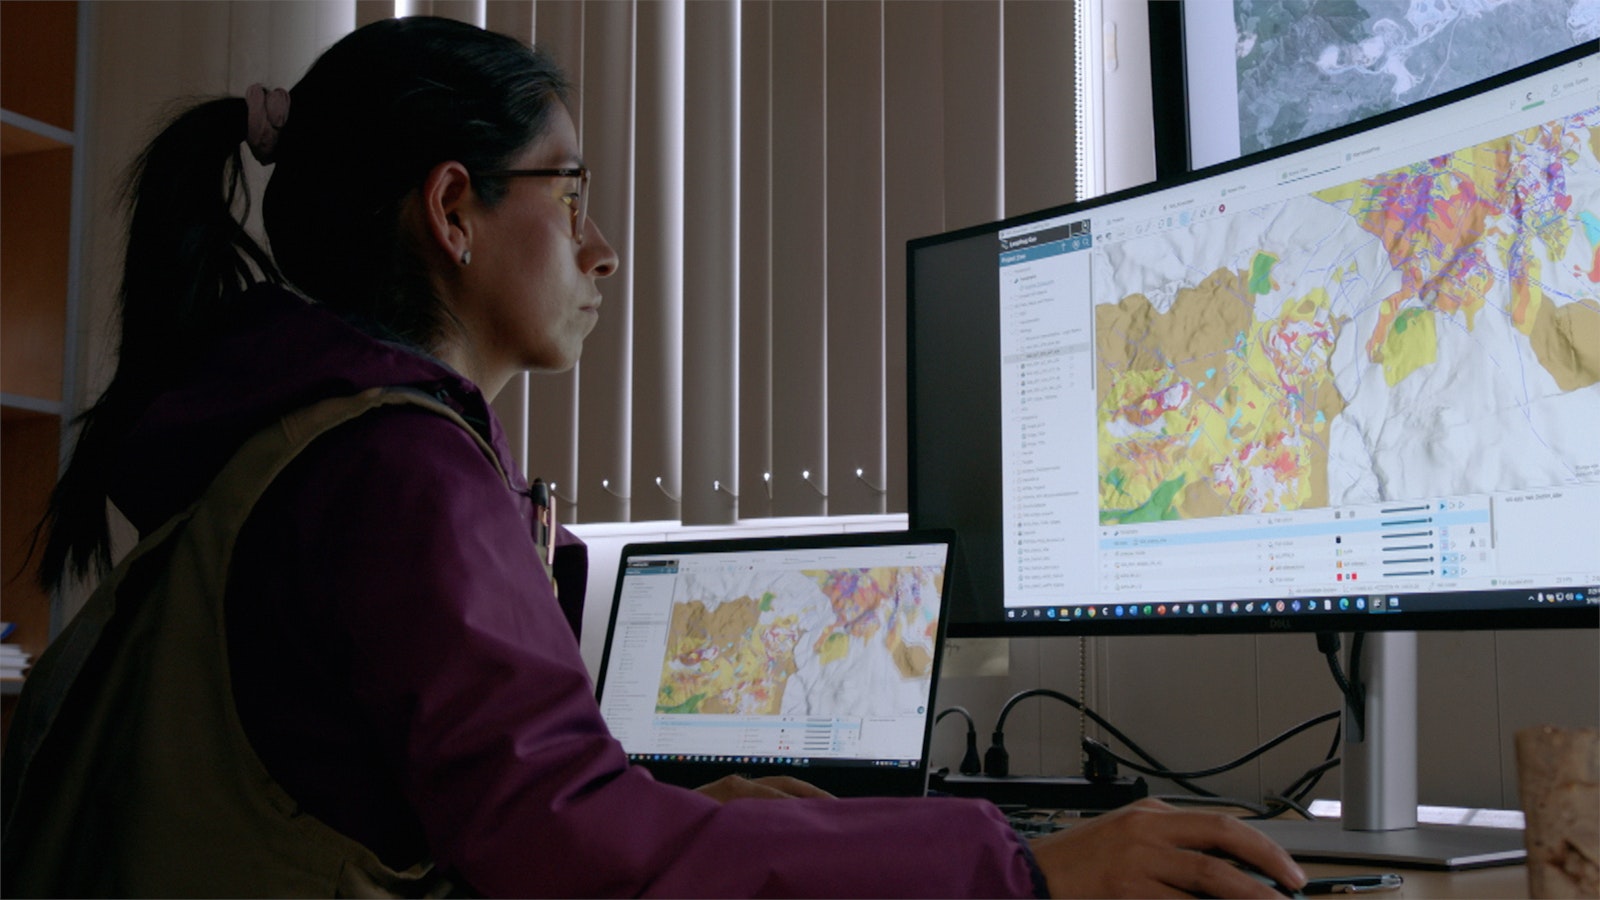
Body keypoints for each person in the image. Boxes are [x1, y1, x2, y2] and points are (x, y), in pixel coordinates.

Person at [4, 16, 1306, 898]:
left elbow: (480, 824)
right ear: (456, 209)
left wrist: (666, 806)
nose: (603, 248)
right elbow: (581, 865)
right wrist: (1023, 867)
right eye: (568, 195)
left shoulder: (289, 444)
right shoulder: (399, 472)